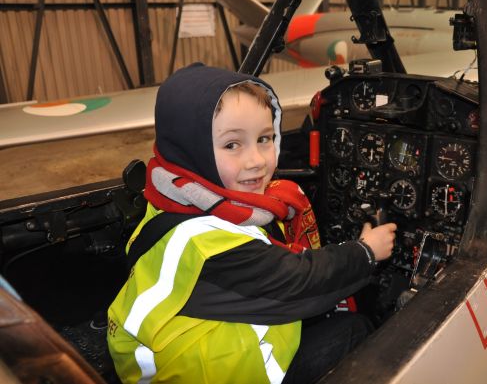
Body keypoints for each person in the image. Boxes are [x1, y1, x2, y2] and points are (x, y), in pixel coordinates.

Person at [107, 63, 396, 384]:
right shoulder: (212, 247)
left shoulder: (170, 195)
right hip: (208, 372)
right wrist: (366, 252)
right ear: (193, 149)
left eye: (265, 138)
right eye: (233, 145)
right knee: (354, 330)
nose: (256, 160)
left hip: (173, 351)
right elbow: (301, 283)